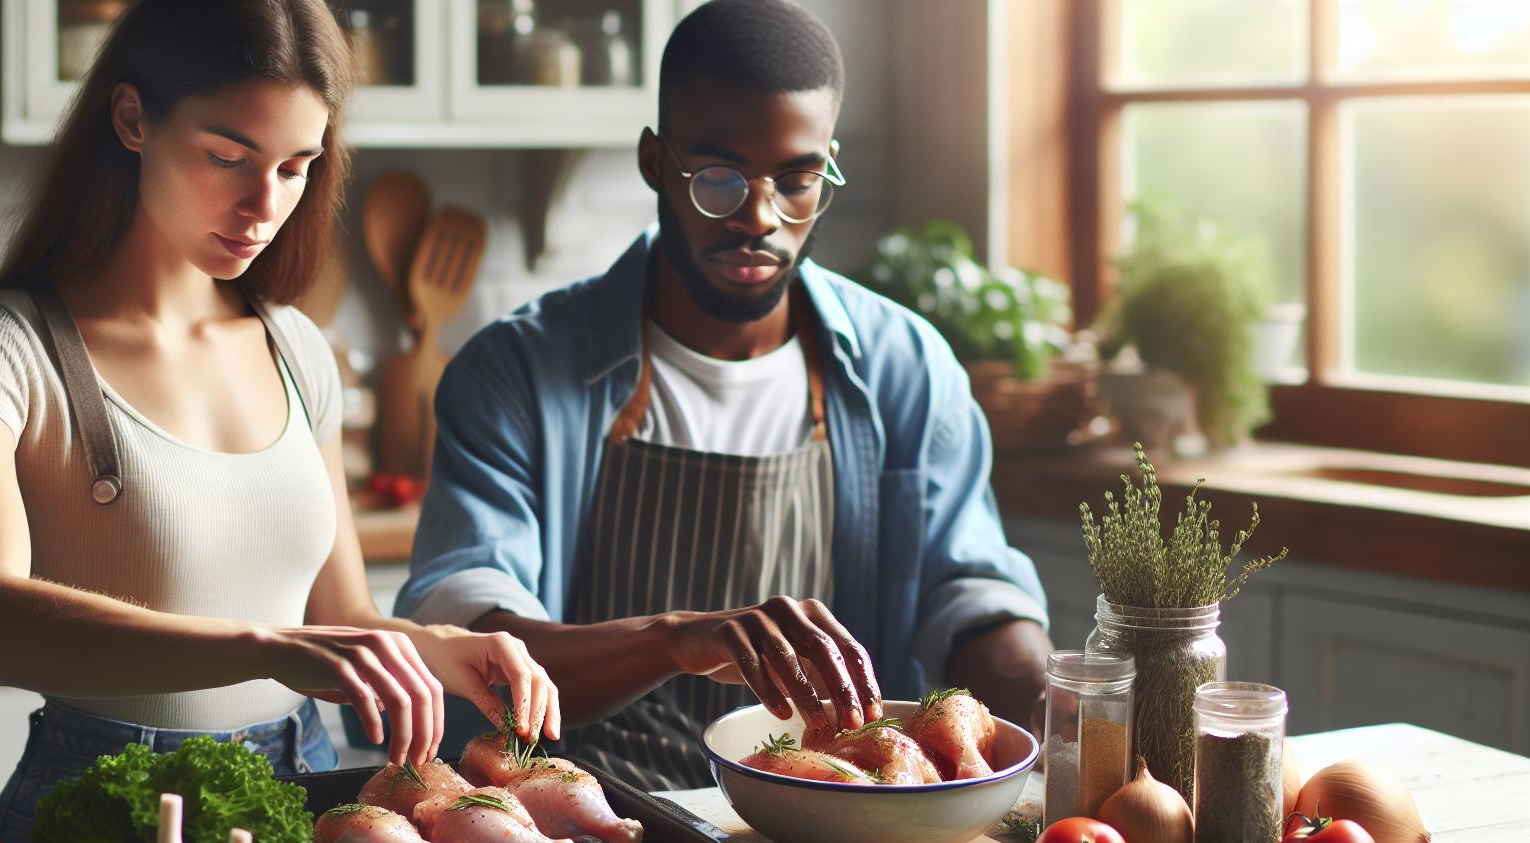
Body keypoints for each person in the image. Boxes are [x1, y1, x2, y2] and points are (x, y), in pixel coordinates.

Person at [0, 0, 558, 843]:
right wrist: (265, 647)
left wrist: (442, 649)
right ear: (132, 118)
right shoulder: (0, 350)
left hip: (304, 779)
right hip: (103, 804)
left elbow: (337, 614)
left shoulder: (297, 348)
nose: (265, 204)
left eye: (297, 166)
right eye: (228, 157)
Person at [397, 0, 1051, 790]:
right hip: (587, 827)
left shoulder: (906, 367)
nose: (759, 218)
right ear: (653, 161)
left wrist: (1056, 691)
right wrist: (677, 639)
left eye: (798, 180)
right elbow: (479, 647)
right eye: (717, 178)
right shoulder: (513, 375)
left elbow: (969, 590)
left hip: (827, 822)